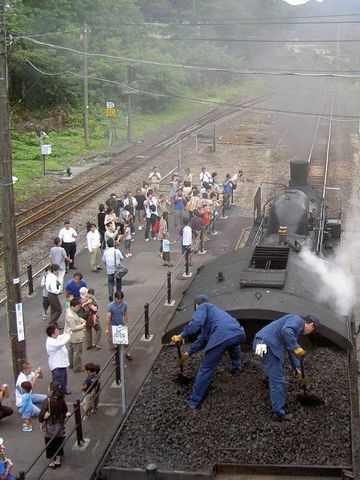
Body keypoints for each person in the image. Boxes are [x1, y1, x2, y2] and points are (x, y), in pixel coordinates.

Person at [172, 295, 245, 408]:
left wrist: (181, 335)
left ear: (196, 305)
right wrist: (188, 353)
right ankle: (236, 369)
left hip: (222, 336)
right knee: (233, 345)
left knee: (206, 368)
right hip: (239, 333)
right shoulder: (216, 314)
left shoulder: (203, 307)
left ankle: (193, 401)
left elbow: (195, 323)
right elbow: (203, 340)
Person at [253, 313, 320, 421]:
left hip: (264, 343)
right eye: (312, 330)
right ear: (311, 325)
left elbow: (291, 349)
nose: (309, 333)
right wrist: (296, 347)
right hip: (266, 344)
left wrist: (298, 370)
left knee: (276, 366)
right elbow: (286, 331)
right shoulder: (297, 321)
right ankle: (278, 412)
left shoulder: (295, 328)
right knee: (278, 379)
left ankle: (269, 379)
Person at [39, 381, 70, 469]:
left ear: (52, 390)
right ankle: (58, 460)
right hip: (59, 424)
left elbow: (42, 413)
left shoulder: (48, 400)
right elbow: (65, 411)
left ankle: (52, 461)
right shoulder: (61, 399)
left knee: (50, 442)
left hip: (50, 423)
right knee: (58, 441)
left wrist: (41, 422)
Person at [105, 291, 132, 361]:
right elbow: (108, 317)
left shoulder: (124, 305)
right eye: (118, 299)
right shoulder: (110, 306)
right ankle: (114, 356)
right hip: (112, 325)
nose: (120, 301)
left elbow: (125, 314)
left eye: (121, 299)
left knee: (124, 340)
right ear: (115, 298)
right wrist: (107, 329)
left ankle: (126, 352)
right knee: (111, 341)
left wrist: (126, 323)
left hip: (121, 324)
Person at [45, 325, 71, 395]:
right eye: (57, 330)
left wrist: (67, 332)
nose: (58, 331)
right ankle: (56, 395)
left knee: (64, 379)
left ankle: (63, 390)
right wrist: (68, 334)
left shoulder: (55, 338)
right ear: (53, 333)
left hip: (62, 363)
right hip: (57, 365)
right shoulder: (51, 342)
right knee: (58, 382)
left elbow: (61, 337)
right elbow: (62, 343)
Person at [65, 299, 86, 372]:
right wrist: (82, 325)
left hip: (70, 335)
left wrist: (80, 319)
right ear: (73, 306)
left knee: (70, 350)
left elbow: (75, 318)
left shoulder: (68, 310)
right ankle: (77, 367)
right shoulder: (71, 316)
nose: (78, 308)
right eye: (77, 307)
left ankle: (71, 364)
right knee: (77, 352)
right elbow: (73, 328)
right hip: (76, 336)